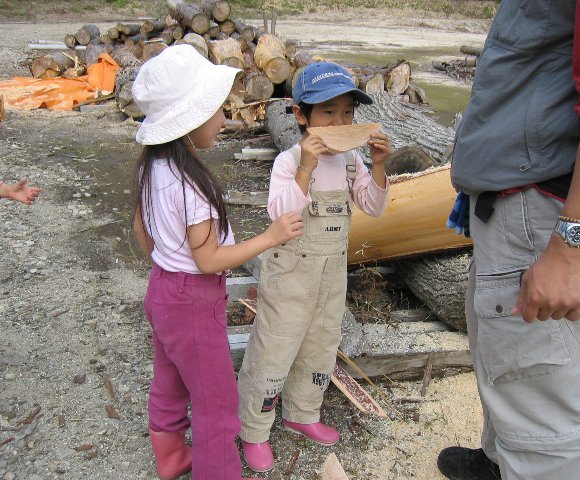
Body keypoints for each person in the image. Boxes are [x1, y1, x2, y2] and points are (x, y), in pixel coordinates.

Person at [438, 1, 580, 479]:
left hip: (550, 210)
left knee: (543, 416)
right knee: (504, 359)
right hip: (523, 205)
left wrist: (569, 247)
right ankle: (497, 463)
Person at [130, 44, 304, 480]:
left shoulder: (151, 168)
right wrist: (270, 237)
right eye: (217, 112)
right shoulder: (193, 187)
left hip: (162, 290)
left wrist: (167, 264)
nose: (223, 120)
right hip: (192, 300)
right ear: (189, 121)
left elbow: (140, 229)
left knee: (169, 378)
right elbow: (208, 260)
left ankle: (171, 456)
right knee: (217, 401)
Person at [237, 62, 391, 473]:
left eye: (347, 114)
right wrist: (306, 166)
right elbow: (281, 214)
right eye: (328, 113)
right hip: (291, 272)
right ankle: (254, 429)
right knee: (275, 346)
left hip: (331, 273)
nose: (340, 123)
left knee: (321, 343)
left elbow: (374, 206)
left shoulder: (353, 162)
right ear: (301, 116)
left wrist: (378, 165)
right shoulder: (289, 162)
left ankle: (302, 412)